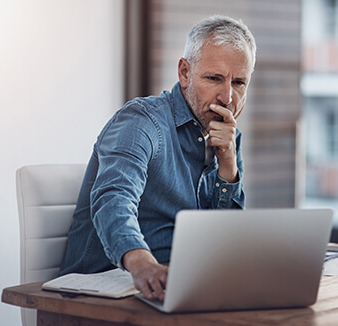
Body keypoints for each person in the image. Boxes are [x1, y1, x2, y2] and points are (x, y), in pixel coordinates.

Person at [60, 15, 257, 302]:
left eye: (239, 82)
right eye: (214, 78)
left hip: (180, 289)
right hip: (107, 291)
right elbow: (114, 198)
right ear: (185, 72)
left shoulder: (227, 138)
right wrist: (142, 263)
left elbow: (223, 244)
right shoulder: (142, 122)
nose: (227, 97)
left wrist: (228, 168)